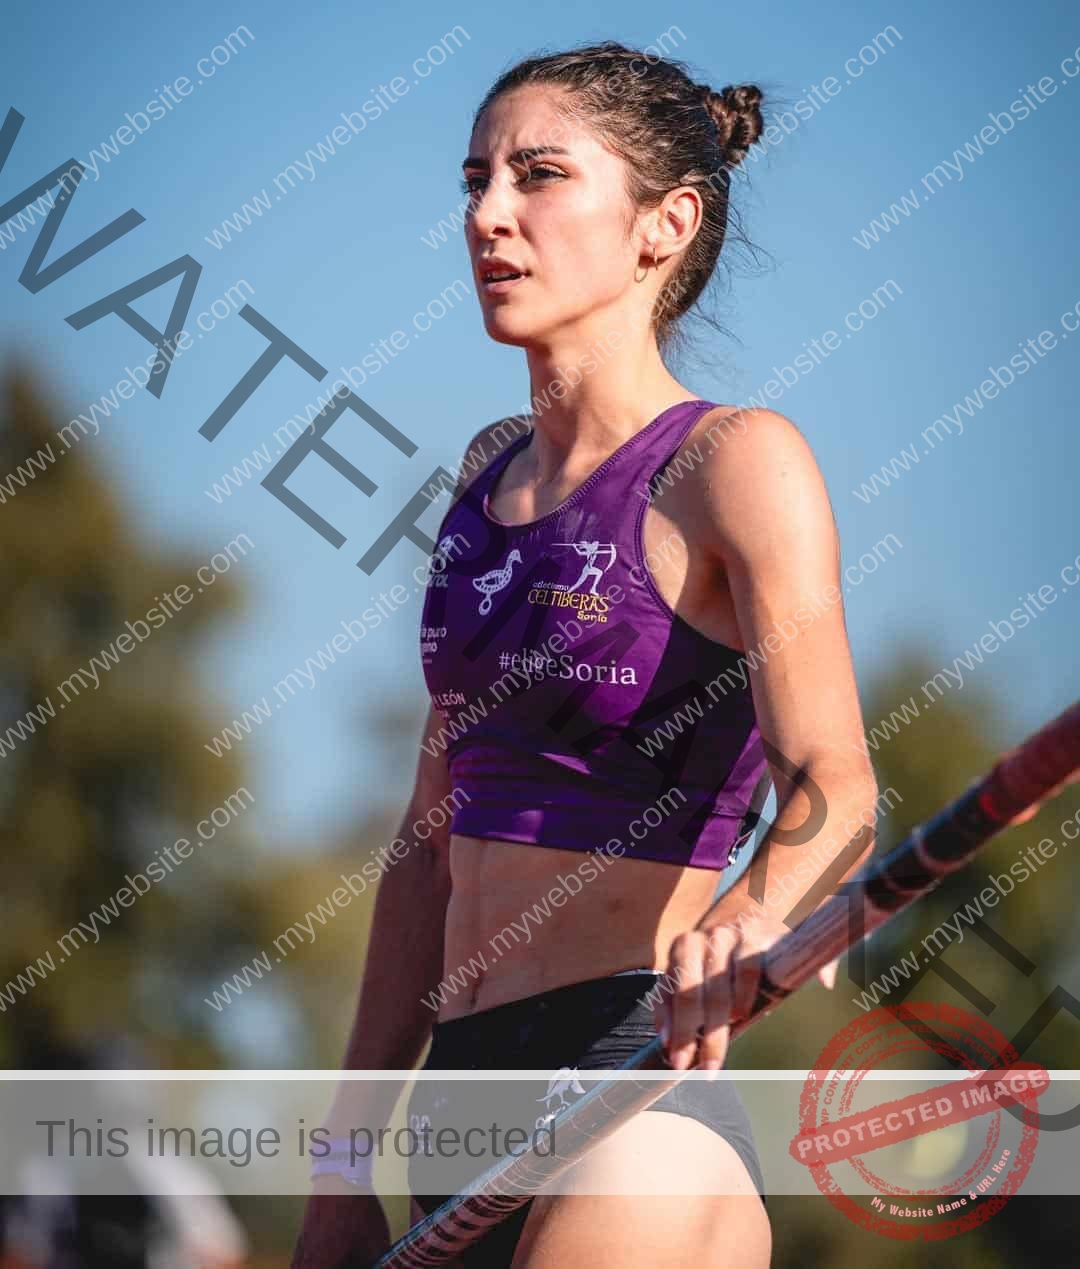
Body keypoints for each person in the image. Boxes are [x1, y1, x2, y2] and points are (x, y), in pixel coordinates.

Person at [292, 40, 879, 1269]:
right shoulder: (482, 480)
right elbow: (426, 851)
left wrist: (756, 911)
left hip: (632, 1105)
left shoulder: (733, 464)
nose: (487, 214)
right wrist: (340, 1169)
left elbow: (839, 788)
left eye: (540, 175)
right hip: (452, 1121)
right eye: (475, 180)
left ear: (667, 224)